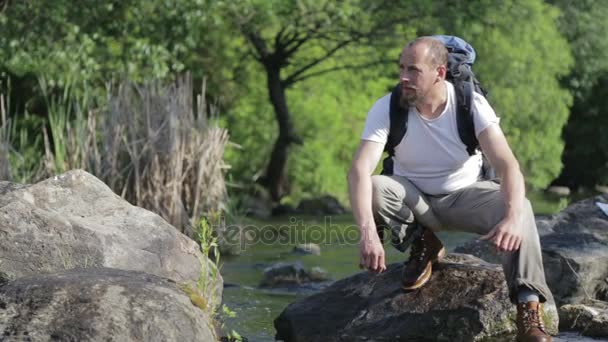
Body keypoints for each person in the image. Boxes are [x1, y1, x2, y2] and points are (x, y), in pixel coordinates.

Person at [347, 36, 553, 342]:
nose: (404, 77)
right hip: (415, 201)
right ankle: (423, 243)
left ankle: (528, 311)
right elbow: (359, 170)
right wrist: (367, 234)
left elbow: (509, 166)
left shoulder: (470, 104)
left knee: (520, 207)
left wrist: (510, 217)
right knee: (376, 187)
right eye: (401, 68)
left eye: (413, 70)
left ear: (439, 73)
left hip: (466, 197)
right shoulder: (387, 107)